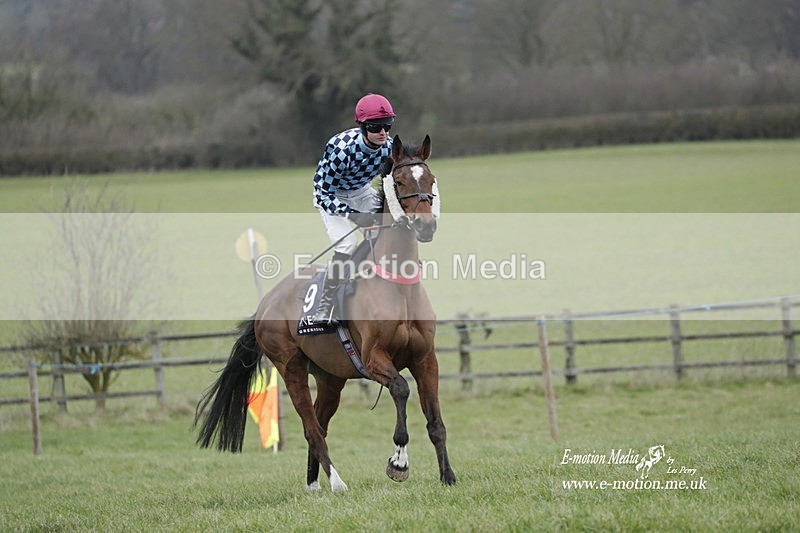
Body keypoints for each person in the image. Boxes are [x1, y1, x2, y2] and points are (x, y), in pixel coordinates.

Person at [309, 93, 395, 325]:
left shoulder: (388, 148)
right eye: (376, 127)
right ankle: (326, 305)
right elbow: (323, 192)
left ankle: (363, 276)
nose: (383, 133)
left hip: (360, 191)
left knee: (384, 231)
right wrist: (356, 216)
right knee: (347, 245)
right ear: (363, 127)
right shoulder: (340, 149)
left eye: (387, 126)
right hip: (330, 195)